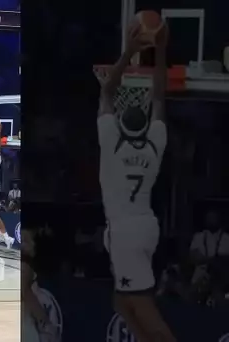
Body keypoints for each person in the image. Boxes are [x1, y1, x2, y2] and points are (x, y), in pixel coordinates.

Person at [98, 22, 175, 342]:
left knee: (140, 307)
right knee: (122, 302)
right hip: (143, 225)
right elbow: (159, 94)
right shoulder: (155, 143)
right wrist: (160, 55)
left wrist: (130, 52)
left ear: (120, 122)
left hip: (125, 229)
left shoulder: (112, 143)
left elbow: (107, 91)